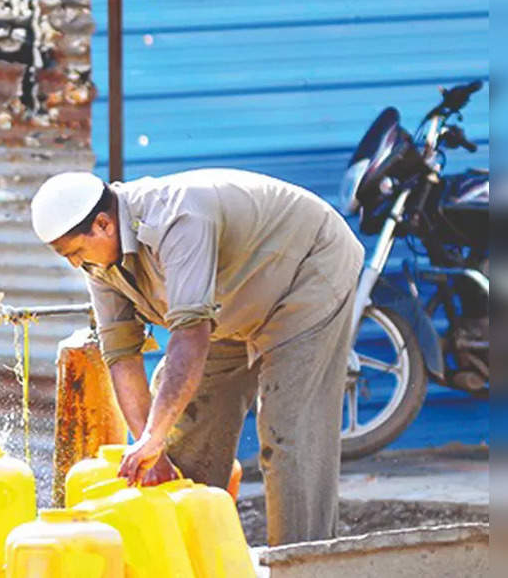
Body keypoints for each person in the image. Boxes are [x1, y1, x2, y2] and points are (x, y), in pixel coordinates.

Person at [30, 168, 363, 545]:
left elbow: (190, 336)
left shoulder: (178, 218)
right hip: (230, 296)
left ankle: (305, 561)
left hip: (306, 270)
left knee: (289, 430)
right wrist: (149, 447)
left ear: (104, 224)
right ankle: (194, 557)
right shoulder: (99, 263)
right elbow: (122, 354)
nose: (76, 264)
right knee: (183, 430)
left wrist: (151, 438)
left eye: (75, 252)